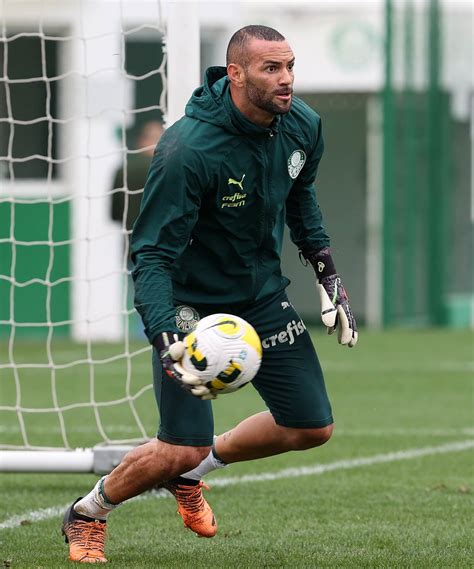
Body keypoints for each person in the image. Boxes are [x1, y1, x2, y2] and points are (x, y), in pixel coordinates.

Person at [61, 25, 358, 563]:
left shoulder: (303, 126)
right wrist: (163, 331)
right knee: (179, 445)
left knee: (312, 426)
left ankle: (193, 475)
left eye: (290, 66)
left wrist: (326, 269)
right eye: (272, 69)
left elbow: (301, 197)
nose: (286, 79)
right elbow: (151, 255)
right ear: (237, 74)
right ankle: (88, 512)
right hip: (189, 305)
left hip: (261, 295)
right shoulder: (186, 150)